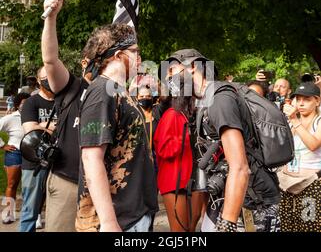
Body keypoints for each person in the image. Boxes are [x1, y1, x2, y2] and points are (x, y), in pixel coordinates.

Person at [161, 49, 281, 232]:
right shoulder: (205, 101)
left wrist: (227, 224)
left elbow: (240, 167)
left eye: (172, 72)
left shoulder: (219, 99)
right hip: (228, 198)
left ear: (192, 67)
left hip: (253, 202)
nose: (169, 79)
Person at [76, 23, 158, 232]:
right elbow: (91, 157)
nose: (140, 58)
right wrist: (109, 222)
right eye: (135, 52)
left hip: (133, 214)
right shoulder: (102, 92)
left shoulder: (119, 91)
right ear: (119, 55)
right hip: (118, 221)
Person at [40, 0, 96, 232]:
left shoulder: (117, 96)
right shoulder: (72, 87)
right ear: (85, 62)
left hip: (101, 190)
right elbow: (51, 60)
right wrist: (50, 18)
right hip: (67, 183)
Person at [154, 61, 206, 232]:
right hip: (172, 183)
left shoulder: (183, 116)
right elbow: (163, 149)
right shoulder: (172, 115)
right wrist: (184, 137)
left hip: (185, 182)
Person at [280, 82, 321, 231]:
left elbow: (313, 144)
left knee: (308, 225)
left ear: (317, 101)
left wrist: (295, 121)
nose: (301, 103)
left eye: (307, 99)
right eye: (298, 99)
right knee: (286, 226)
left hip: (310, 185)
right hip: (287, 185)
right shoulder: (290, 121)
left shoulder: (318, 121)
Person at [19, 66, 56, 232]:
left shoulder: (64, 101)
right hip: (35, 164)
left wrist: (41, 125)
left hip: (60, 163)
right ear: (39, 80)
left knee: (57, 212)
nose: (49, 80)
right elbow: (30, 131)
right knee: (30, 211)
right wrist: (56, 126)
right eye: (45, 77)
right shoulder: (31, 103)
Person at [0, 92, 30, 224]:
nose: (25, 105)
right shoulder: (11, 118)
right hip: (14, 153)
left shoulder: (33, 117)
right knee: (12, 185)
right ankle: (8, 213)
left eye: (28, 103)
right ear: (17, 105)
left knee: (30, 187)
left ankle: (33, 216)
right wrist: (2, 146)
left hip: (31, 155)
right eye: (23, 103)